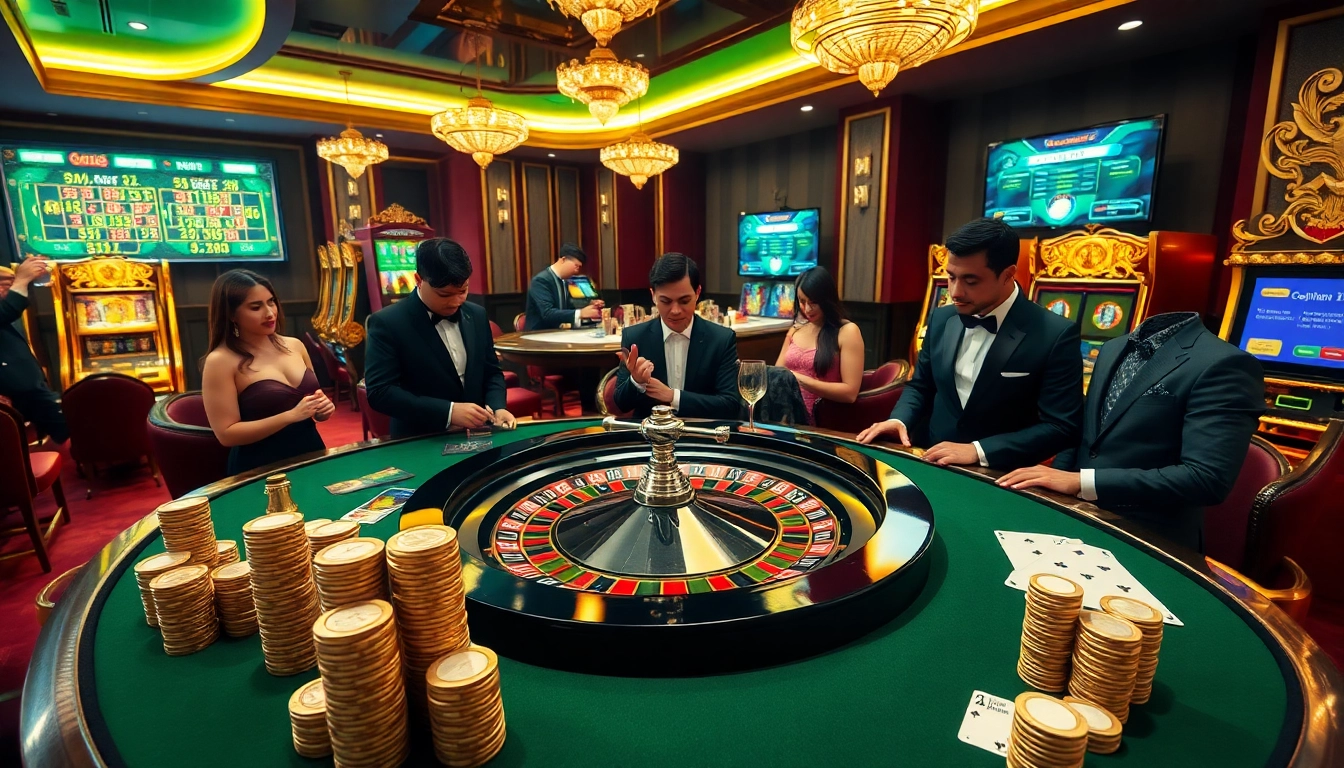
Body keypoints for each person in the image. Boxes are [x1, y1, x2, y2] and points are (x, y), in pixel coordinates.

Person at [997, 312, 1266, 552]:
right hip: (1078, 518)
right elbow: (1086, 432)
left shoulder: (1226, 364)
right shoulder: (1114, 347)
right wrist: (1055, 488)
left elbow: (1206, 479)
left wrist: (1081, 482)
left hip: (1154, 539)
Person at [857, 217, 1082, 469]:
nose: (955, 292)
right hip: (930, 457)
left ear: (1008, 275)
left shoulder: (1055, 334)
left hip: (1001, 475)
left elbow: (1062, 427)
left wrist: (978, 451)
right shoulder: (942, 317)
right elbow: (921, 385)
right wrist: (900, 420)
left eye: (970, 281)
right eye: (951, 277)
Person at [364, 237, 512, 439]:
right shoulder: (387, 322)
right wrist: (449, 412)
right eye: (444, 294)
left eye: (463, 291)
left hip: (479, 436)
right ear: (418, 280)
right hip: (420, 439)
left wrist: (497, 407)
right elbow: (380, 393)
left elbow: (491, 371)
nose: (456, 301)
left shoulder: (476, 315)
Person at [201, 270, 334, 475]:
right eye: (256, 307)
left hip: (312, 453)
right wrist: (290, 416)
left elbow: (314, 407)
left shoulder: (295, 345)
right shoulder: (220, 361)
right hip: (261, 467)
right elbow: (227, 434)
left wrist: (322, 410)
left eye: (271, 302)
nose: (270, 313)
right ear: (231, 314)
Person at [614, 253, 740, 420]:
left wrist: (672, 397)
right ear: (653, 295)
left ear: (697, 293)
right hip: (650, 437)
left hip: (701, 437)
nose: (675, 311)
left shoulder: (721, 339)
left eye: (684, 301)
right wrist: (636, 381)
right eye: (665, 301)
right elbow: (621, 404)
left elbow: (730, 405)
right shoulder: (635, 337)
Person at [774, 266, 863, 424]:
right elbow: (776, 374)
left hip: (823, 422)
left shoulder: (847, 331)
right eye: (802, 301)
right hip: (787, 417)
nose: (807, 309)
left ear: (827, 300)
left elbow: (850, 393)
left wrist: (797, 379)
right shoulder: (795, 330)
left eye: (813, 302)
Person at [0, 259, 68, 443]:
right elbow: (7, 310)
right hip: (20, 391)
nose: (10, 290)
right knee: (65, 428)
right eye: (6, 285)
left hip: (29, 388)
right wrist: (21, 280)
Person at [524, 243, 604, 331]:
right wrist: (581, 313)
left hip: (556, 334)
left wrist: (589, 304)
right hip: (537, 336)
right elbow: (547, 313)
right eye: (576, 266)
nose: (577, 271)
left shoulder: (564, 281)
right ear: (563, 260)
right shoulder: (541, 281)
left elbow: (567, 307)